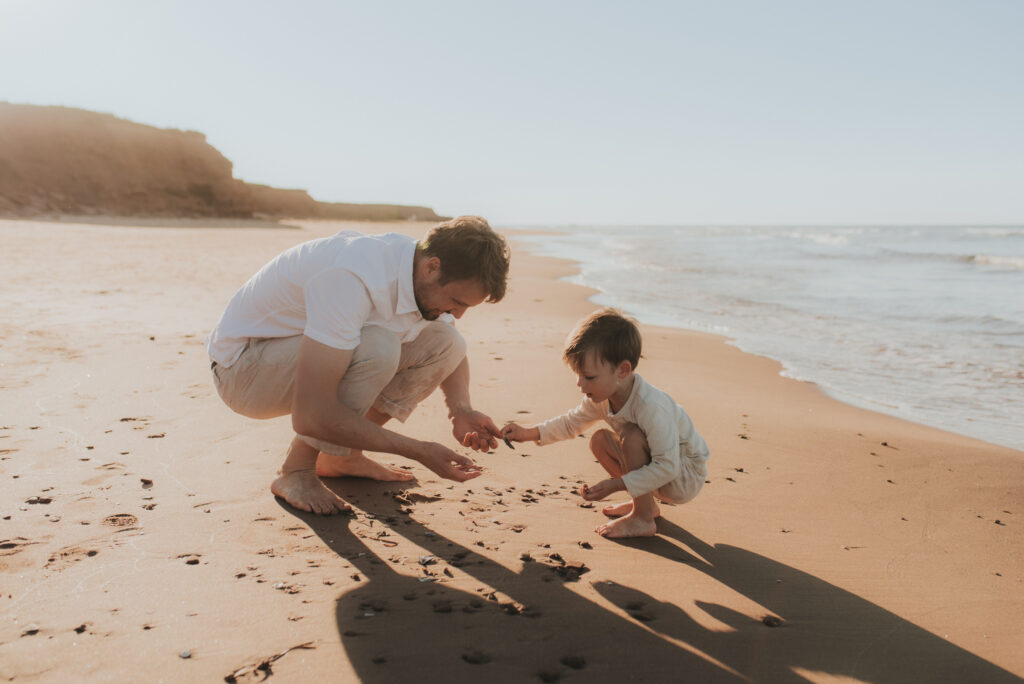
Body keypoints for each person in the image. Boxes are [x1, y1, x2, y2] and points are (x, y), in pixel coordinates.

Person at [205, 216, 510, 515]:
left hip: (288, 357)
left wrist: (461, 409)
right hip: (242, 371)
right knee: (378, 347)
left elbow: (447, 342)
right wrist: (417, 450)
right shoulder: (352, 275)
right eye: (457, 301)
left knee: (446, 341)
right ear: (432, 267)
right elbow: (311, 415)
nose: (458, 314)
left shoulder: (419, 269)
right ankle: (295, 471)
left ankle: (339, 456)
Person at [501, 308, 710, 538]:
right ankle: (646, 505)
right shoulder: (602, 398)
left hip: (684, 476)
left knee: (631, 436)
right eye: (577, 375)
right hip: (663, 469)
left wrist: (617, 485)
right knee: (600, 440)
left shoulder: (650, 406)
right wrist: (529, 433)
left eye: (589, 377)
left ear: (622, 370)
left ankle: (642, 518)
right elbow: (571, 423)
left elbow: (667, 466)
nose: (580, 384)